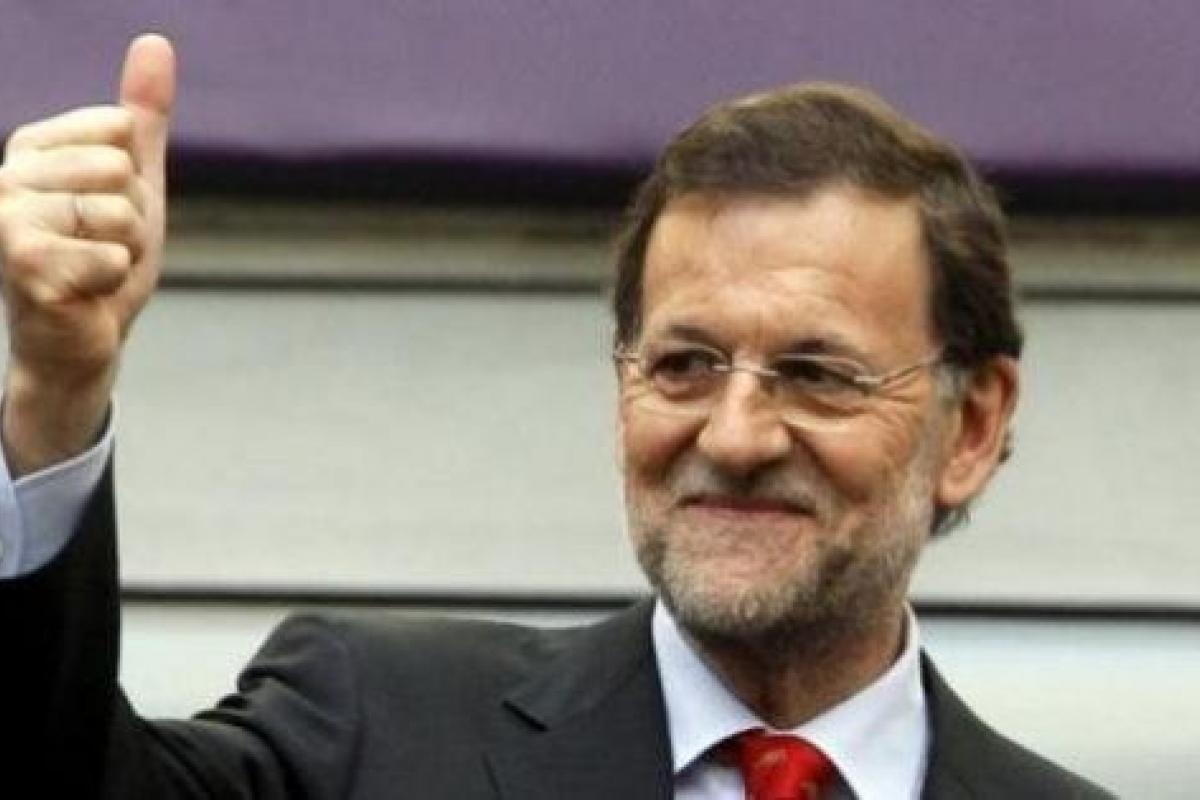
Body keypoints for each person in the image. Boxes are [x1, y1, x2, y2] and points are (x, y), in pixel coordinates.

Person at [0, 34, 1113, 800]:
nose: (734, 436)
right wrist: (54, 393)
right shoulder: (375, 733)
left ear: (972, 426)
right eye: (684, 364)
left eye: (817, 374)